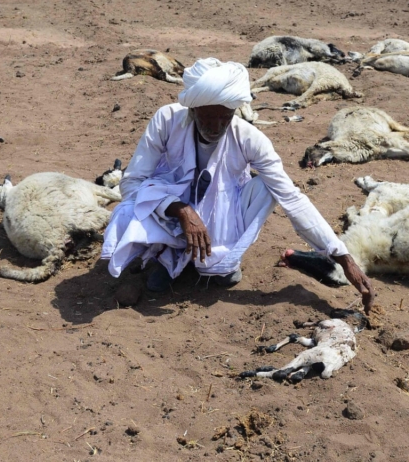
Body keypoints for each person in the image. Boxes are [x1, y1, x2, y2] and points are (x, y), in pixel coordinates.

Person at [100, 57, 374, 312]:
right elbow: (132, 182)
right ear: (193, 108)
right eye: (209, 116)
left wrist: (342, 257)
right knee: (127, 210)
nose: (217, 125)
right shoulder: (167, 120)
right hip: (169, 212)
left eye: (225, 116)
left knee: (269, 188)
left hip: (222, 212)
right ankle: (168, 257)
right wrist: (179, 209)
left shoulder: (249, 138)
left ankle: (219, 257)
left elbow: (293, 199)